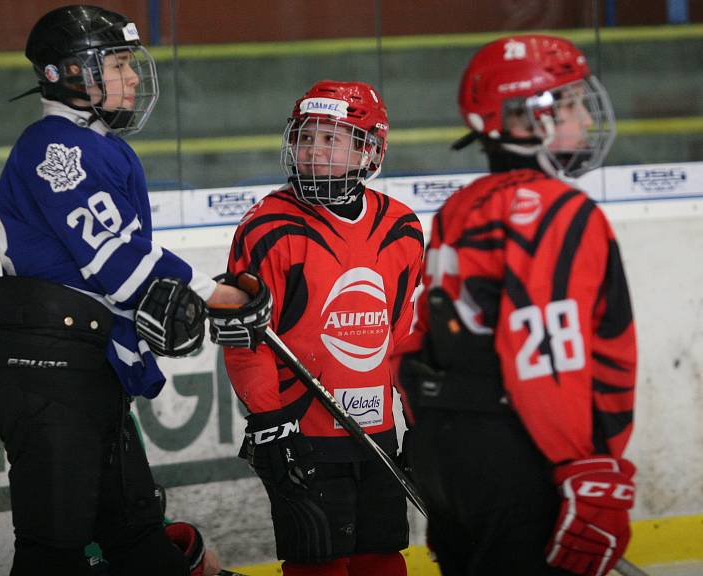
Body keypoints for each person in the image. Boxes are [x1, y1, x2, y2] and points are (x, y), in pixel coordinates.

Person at [0, 5, 269, 575]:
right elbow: (116, 258)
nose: (133, 77)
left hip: (80, 368)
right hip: (48, 375)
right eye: (116, 63)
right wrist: (216, 294)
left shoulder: (93, 144)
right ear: (69, 72)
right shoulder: (54, 149)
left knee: (134, 534)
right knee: (53, 550)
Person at [394, 35, 638, 576]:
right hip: (526, 455)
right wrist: (588, 471)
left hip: (452, 450)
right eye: (570, 103)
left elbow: (414, 341)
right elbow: (544, 358)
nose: (584, 117)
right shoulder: (560, 212)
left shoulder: (460, 206)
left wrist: (449, 468)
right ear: (531, 117)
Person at [222, 80, 424, 576]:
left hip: (377, 431)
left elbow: (402, 336)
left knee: (382, 557)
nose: (312, 151)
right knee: (317, 561)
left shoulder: (401, 227)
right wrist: (269, 422)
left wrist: (419, 422)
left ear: (367, 150)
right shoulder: (268, 227)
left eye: (331, 139)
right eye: (306, 137)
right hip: (299, 432)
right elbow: (244, 339)